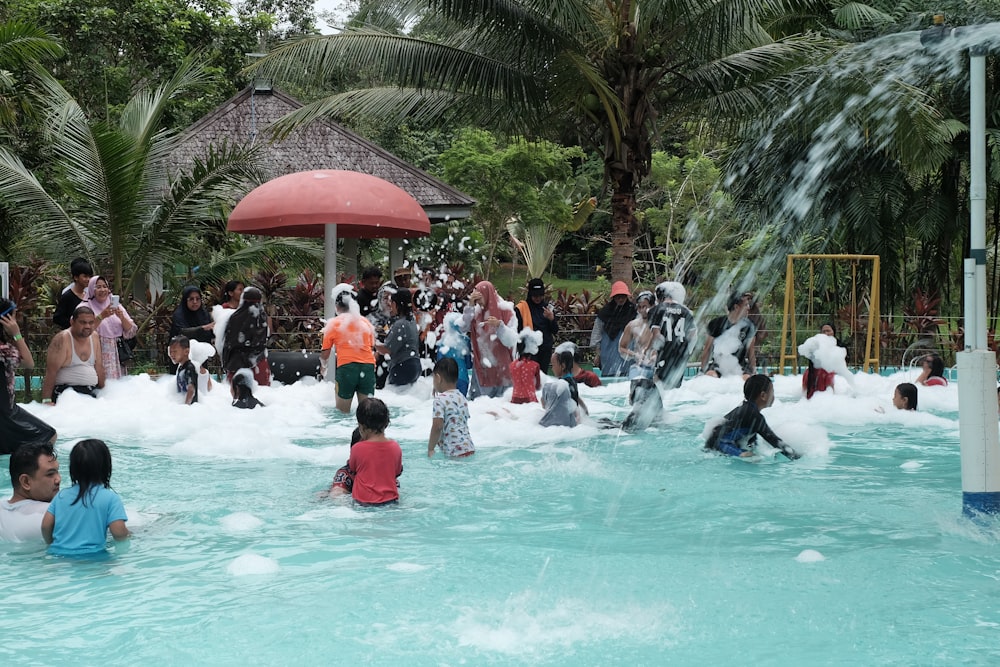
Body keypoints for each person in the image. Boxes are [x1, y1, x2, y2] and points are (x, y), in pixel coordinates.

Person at [42, 438, 129, 556]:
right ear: (106, 467)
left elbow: (46, 526)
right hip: (94, 558)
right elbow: (119, 533)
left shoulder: (61, 496)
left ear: (73, 469)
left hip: (60, 556)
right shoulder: (110, 498)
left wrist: (52, 543)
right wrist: (129, 536)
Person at [0, 301, 56, 452]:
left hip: (7, 410)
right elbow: (29, 363)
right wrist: (16, 333)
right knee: (49, 435)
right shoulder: (5, 351)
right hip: (6, 413)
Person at [704, 374, 800, 459]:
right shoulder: (755, 416)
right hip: (721, 446)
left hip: (711, 446)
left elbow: (750, 441)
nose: (774, 396)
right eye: (772, 392)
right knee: (754, 458)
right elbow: (775, 441)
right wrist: (796, 457)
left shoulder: (745, 409)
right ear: (763, 396)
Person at [330, 398, 402, 506]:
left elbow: (353, 468)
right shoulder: (396, 447)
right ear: (387, 424)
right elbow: (397, 472)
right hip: (391, 501)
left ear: (361, 426)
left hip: (363, 501)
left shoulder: (357, 448)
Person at [320, 286, 377, 414]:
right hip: (368, 368)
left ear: (337, 306)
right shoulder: (365, 322)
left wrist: (323, 366)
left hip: (347, 368)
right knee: (367, 413)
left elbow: (325, 352)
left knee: (342, 413)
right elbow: (371, 347)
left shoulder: (333, 324)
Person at [462, 281, 518, 399]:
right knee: (480, 408)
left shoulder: (505, 310)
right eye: (475, 300)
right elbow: (463, 327)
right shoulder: (476, 312)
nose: (478, 303)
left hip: (502, 369)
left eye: (479, 298)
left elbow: (512, 340)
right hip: (482, 369)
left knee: (502, 408)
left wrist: (500, 327)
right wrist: (470, 306)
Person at [41, 307, 106, 404]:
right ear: (72, 322)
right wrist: (46, 400)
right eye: (83, 322)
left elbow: (99, 367)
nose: (87, 326)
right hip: (66, 393)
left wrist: (105, 392)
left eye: (91, 322)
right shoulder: (63, 339)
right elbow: (51, 372)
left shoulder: (94, 336)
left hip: (91, 392)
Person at [78, 275, 137, 380]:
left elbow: (131, 330)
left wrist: (121, 317)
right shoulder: (84, 307)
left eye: (105, 286)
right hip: (97, 354)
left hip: (118, 355)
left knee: (118, 387)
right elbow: (83, 332)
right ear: (92, 289)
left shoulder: (115, 305)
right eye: (98, 287)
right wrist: (102, 316)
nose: (102, 290)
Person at [0, 442, 61, 542]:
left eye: (57, 471)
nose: (58, 479)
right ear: (26, 482)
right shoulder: (53, 516)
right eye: (50, 474)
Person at [646, 281, 697, 389]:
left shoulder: (656, 310)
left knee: (658, 384)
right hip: (681, 353)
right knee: (675, 387)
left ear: (658, 297)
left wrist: (649, 351)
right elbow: (692, 335)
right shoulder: (686, 311)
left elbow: (657, 336)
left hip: (665, 352)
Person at [222, 286, 271, 387]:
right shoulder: (261, 317)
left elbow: (228, 344)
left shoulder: (235, 317)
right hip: (259, 364)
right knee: (263, 395)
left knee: (234, 397)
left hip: (236, 365)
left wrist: (226, 364)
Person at [700, 291, 757, 379]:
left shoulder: (749, 326)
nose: (748, 308)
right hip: (718, 366)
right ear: (736, 307)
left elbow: (751, 353)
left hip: (740, 367)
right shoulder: (716, 324)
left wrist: (754, 372)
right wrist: (702, 371)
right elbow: (707, 350)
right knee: (710, 376)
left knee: (747, 379)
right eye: (746, 305)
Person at [428, 357, 475, 458]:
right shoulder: (461, 397)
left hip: (454, 452)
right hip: (469, 448)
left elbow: (437, 426)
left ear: (438, 378)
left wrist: (430, 448)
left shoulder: (439, 400)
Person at [376, 288, 422, 388]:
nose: (390, 305)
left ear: (397, 304)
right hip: (415, 366)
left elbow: (387, 349)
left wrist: (373, 343)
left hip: (403, 368)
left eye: (392, 302)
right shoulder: (411, 320)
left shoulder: (400, 324)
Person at [590, 281, 636, 377]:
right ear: (613, 297)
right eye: (618, 296)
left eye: (623, 296)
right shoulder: (605, 312)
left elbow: (640, 331)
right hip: (608, 352)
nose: (620, 299)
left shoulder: (633, 311)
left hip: (628, 352)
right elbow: (596, 333)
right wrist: (598, 353)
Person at [515, 278, 559, 375]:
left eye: (540, 295)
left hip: (545, 349)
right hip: (528, 350)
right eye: (535, 295)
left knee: (542, 377)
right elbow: (517, 331)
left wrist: (551, 319)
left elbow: (555, 330)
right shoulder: (521, 308)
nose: (537, 298)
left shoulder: (547, 308)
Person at [541, 349, 585, 427]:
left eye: (553, 365)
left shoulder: (562, 384)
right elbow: (575, 397)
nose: (552, 368)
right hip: (575, 419)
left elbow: (546, 405)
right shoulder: (572, 380)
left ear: (563, 366)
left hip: (567, 422)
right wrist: (584, 408)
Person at [436, 312, 472, 396]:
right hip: (462, 378)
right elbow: (468, 365)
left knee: (448, 404)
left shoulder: (442, 342)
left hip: (447, 380)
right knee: (461, 404)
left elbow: (439, 363)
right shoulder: (465, 341)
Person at [52, 257, 93, 329]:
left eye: (90, 276)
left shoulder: (89, 295)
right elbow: (57, 318)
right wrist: (74, 325)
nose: (88, 279)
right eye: (85, 276)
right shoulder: (67, 296)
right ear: (76, 277)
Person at [802, 322, 838, 399]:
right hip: (817, 373)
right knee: (807, 374)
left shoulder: (840, 346)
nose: (826, 333)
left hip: (831, 373)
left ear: (834, 332)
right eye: (823, 331)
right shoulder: (815, 345)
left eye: (828, 331)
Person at [167, 335, 199, 405]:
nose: (172, 355)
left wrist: (185, 406)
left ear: (186, 352)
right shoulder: (181, 368)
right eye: (170, 352)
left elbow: (191, 389)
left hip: (192, 408)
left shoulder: (190, 368)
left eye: (175, 351)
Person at [510, 339, 541, 404]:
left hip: (515, 399)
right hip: (530, 400)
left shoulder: (512, 365)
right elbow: (538, 386)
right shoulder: (535, 365)